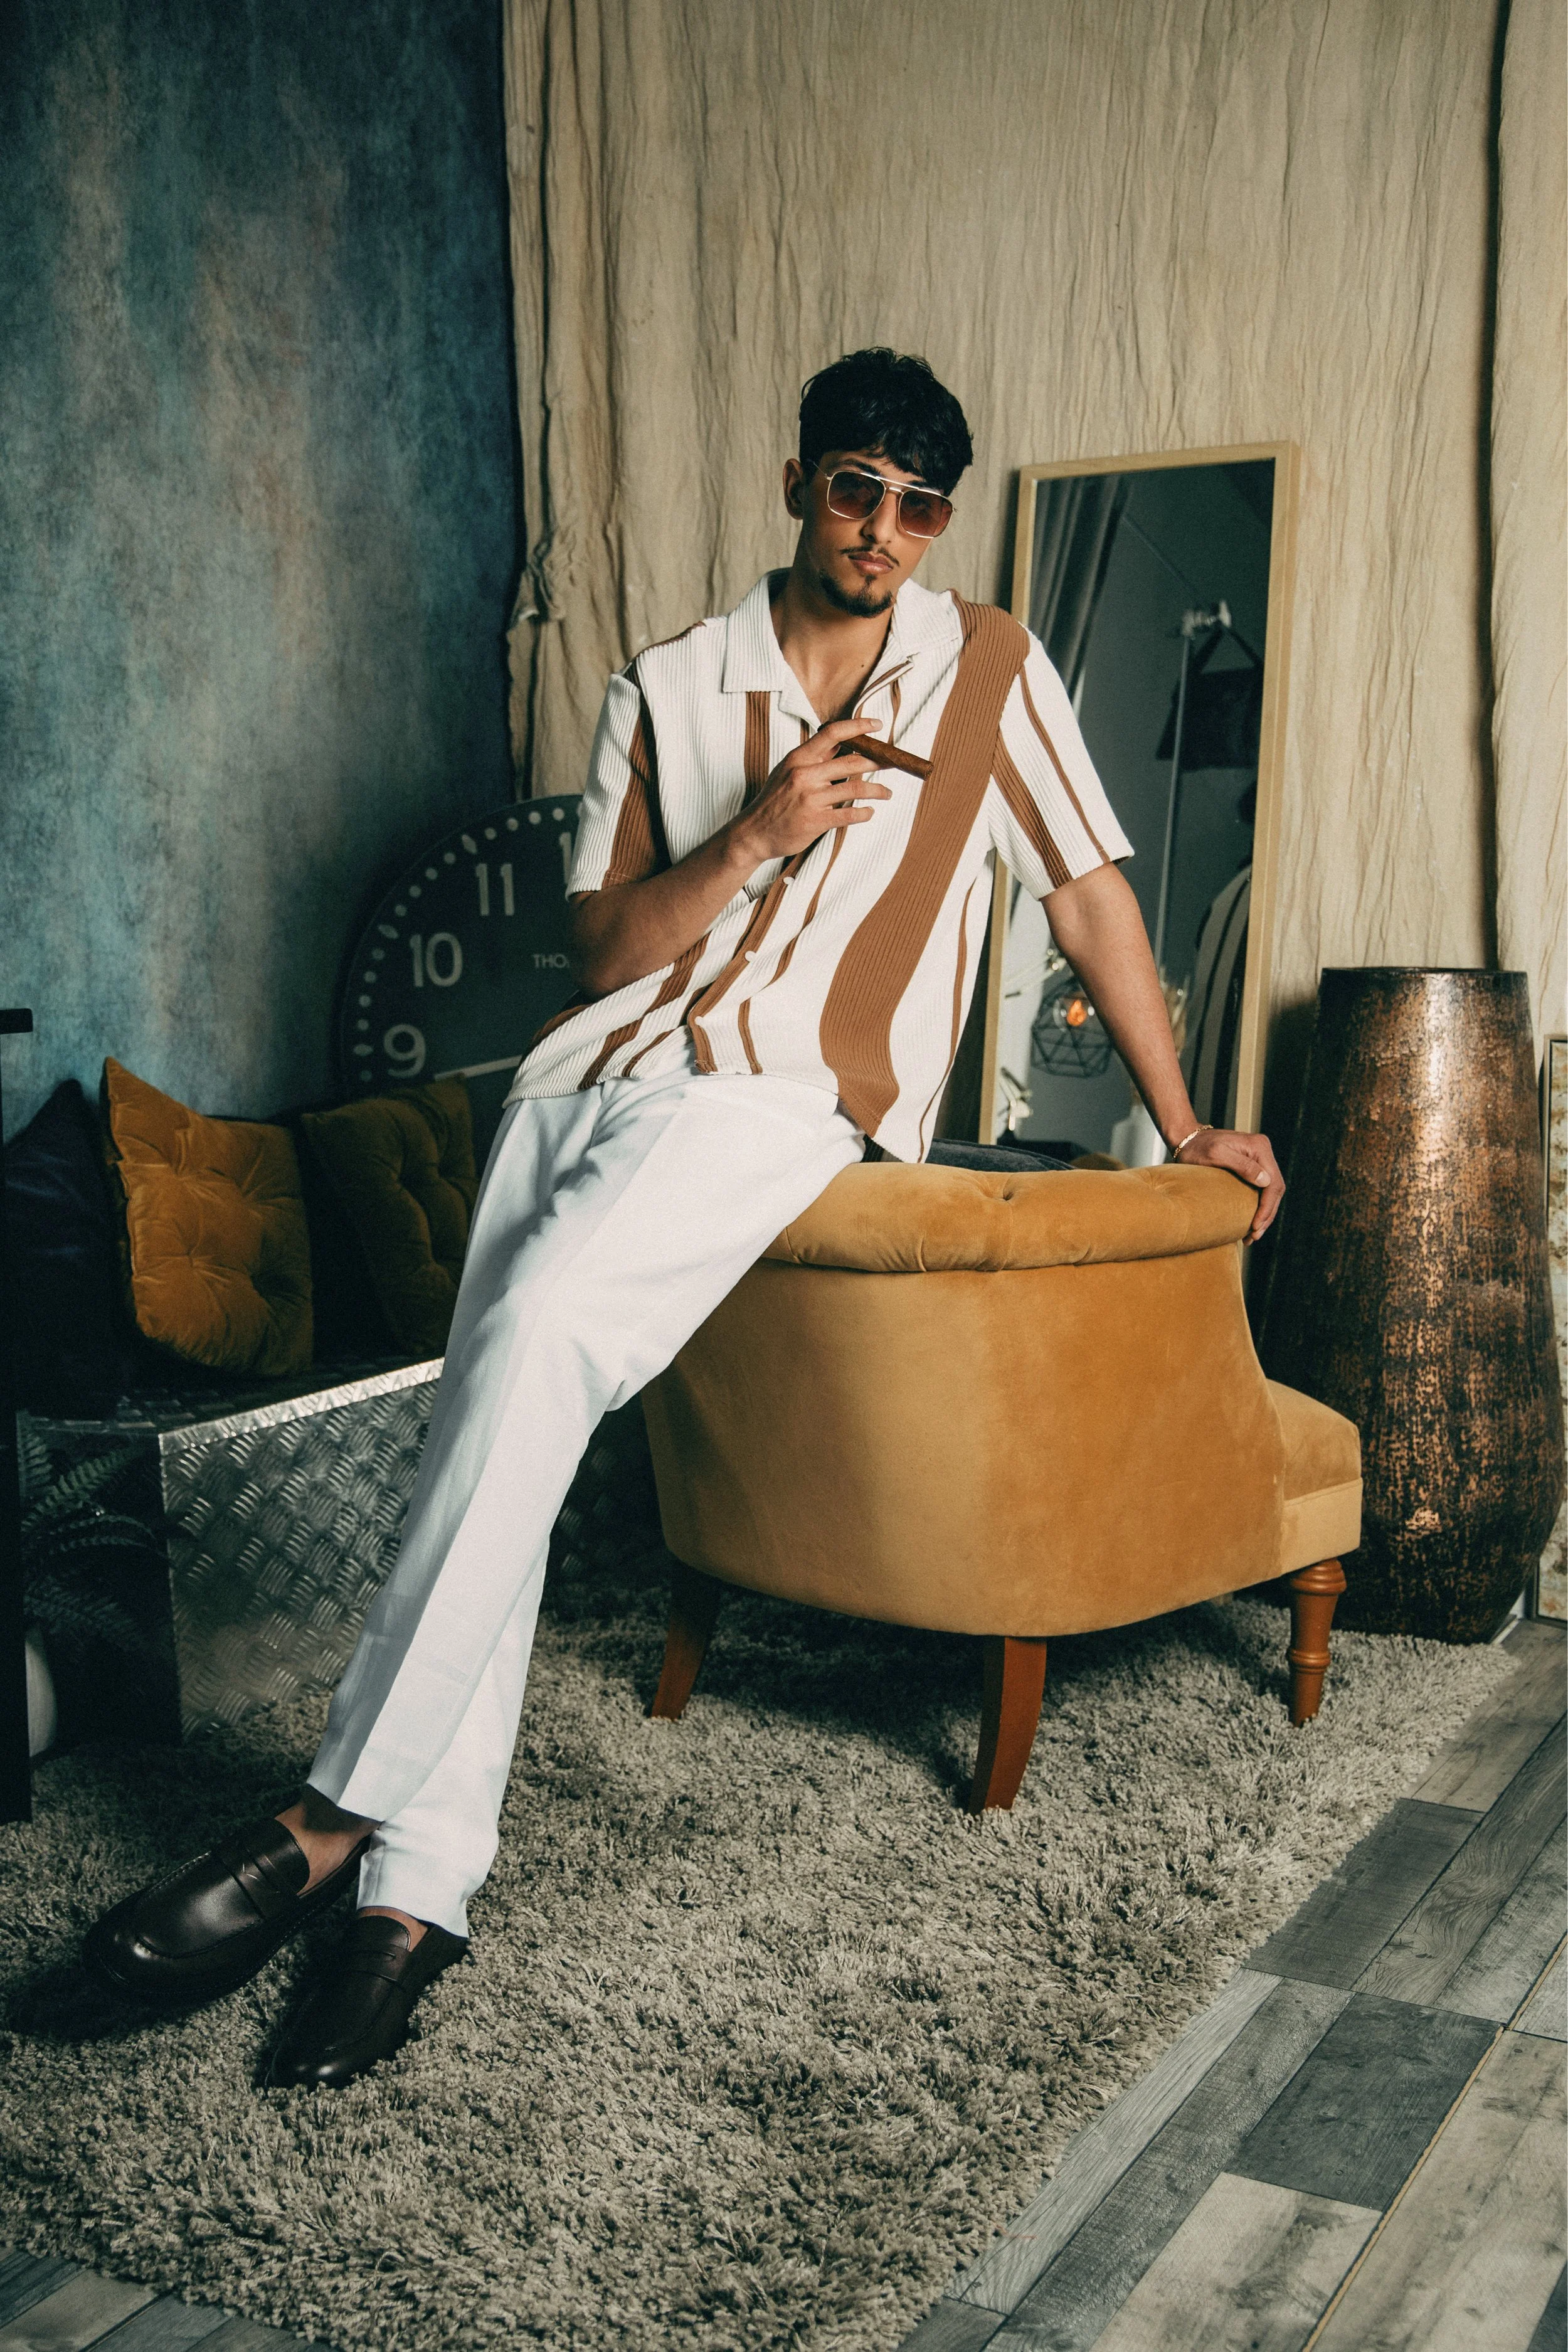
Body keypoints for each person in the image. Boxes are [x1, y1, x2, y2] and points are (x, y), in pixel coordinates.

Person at [87, 349, 1284, 2087]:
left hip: (781, 1091)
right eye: (855, 490)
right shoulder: (665, 683)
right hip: (582, 1083)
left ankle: (323, 1821)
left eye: (917, 509)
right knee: (493, 1420)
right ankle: (417, 1904)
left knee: (549, 1344)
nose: (881, 533)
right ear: (799, 480)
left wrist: (1186, 1118)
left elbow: (1091, 884)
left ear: (941, 524)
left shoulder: (986, 671)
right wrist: (760, 834)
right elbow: (598, 952)